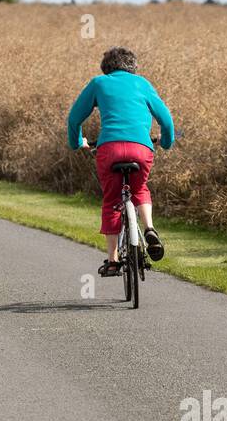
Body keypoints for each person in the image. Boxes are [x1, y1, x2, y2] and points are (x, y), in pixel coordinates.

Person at [67, 46, 175, 278]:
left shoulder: (98, 83)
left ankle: (113, 260)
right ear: (133, 66)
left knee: (112, 199)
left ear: (107, 68)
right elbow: (166, 120)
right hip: (141, 149)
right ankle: (149, 228)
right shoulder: (142, 84)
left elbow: (74, 118)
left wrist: (77, 142)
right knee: (139, 188)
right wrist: (165, 142)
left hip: (110, 149)